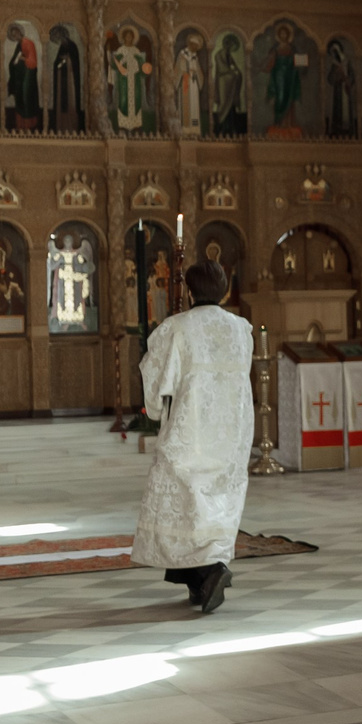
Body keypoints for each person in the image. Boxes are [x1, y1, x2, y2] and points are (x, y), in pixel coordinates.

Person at [135, 262, 255, 613]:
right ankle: (201, 581)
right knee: (218, 498)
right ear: (226, 290)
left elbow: (157, 378)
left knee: (184, 503)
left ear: (189, 291)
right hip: (231, 428)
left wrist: (156, 409)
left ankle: (211, 571)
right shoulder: (240, 329)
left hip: (191, 429)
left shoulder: (177, 328)